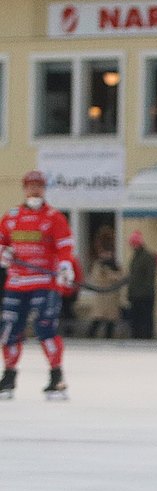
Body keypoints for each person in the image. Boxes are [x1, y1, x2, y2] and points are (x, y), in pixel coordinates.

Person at [0, 170, 80, 399]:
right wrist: (3, 254)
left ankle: (57, 378)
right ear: (24, 189)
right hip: (16, 283)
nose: (35, 190)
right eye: (31, 186)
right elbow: (2, 241)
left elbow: (65, 246)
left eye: (39, 186)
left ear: (44, 189)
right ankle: (8, 378)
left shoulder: (54, 217)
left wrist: (66, 266)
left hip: (44, 282)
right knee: (10, 331)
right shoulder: (11, 216)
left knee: (45, 329)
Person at [85, 248, 125, 339]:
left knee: (111, 320)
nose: (106, 255)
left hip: (112, 298)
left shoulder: (116, 266)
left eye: (108, 253)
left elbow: (120, 277)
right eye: (104, 253)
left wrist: (109, 273)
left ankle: (109, 338)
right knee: (97, 319)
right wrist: (108, 275)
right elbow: (96, 278)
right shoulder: (98, 265)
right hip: (101, 297)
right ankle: (90, 337)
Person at [125, 230, 157, 339]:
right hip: (135, 295)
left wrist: (147, 293)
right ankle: (136, 337)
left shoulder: (147, 257)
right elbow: (133, 277)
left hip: (144, 296)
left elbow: (150, 277)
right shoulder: (136, 257)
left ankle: (146, 338)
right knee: (135, 320)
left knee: (146, 319)